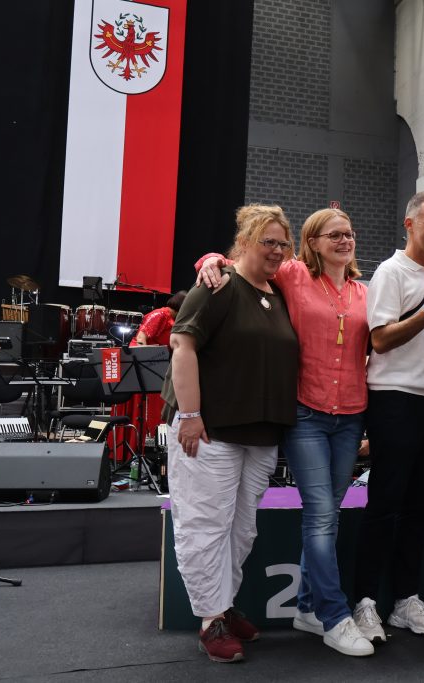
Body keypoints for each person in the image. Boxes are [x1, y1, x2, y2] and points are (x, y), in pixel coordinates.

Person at [196, 209, 374, 657]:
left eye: (349, 234)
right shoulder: (293, 275)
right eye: (334, 234)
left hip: (351, 415)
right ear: (312, 241)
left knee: (329, 512)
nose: (345, 240)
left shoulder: (363, 291)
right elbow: (243, 263)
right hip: (307, 413)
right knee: (321, 514)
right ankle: (335, 616)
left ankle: (308, 608)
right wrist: (210, 259)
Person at [163, 204, 299, 663]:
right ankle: (210, 621)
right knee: (205, 525)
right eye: (268, 241)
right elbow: (182, 345)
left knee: (241, 530)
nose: (276, 250)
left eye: (283, 243)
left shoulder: (279, 292)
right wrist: (190, 414)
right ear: (244, 242)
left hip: (260, 434)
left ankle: (222, 604)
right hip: (210, 430)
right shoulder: (217, 284)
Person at [351, 191, 424, 641]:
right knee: (385, 503)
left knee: (419, 505)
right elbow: (379, 340)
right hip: (392, 398)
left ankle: (405, 599)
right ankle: (364, 601)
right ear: (409, 224)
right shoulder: (390, 271)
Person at [129, 291, 187, 454]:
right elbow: (141, 339)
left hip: (155, 362)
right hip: (144, 362)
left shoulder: (172, 319)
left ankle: (155, 446)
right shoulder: (160, 315)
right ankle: (142, 447)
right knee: (150, 406)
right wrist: (148, 362)